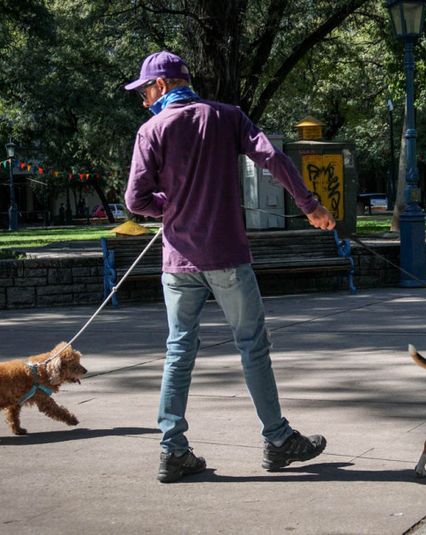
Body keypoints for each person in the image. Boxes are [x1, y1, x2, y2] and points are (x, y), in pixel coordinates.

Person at [123, 51, 336, 483]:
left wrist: (171, 206)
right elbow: (273, 158)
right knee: (252, 345)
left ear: (162, 85)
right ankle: (277, 441)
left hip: (178, 263)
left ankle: (172, 450)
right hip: (227, 258)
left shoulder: (152, 130)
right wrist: (309, 205)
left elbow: (135, 201)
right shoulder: (228, 117)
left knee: (178, 350)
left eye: (145, 91)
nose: (144, 100)